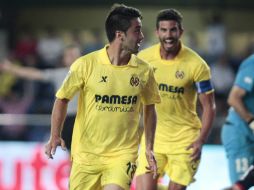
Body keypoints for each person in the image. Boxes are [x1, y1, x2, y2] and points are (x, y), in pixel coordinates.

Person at [44, 4, 161, 190]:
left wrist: (148, 147)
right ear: (120, 35)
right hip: (85, 156)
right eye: (136, 31)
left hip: (123, 155)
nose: (142, 36)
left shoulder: (144, 71)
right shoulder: (85, 65)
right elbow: (62, 99)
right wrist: (55, 135)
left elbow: (150, 106)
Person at [135, 9, 216, 190]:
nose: (168, 35)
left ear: (181, 32)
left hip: (185, 141)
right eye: (164, 30)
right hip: (153, 139)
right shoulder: (144, 59)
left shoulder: (197, 65)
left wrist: (201, 140)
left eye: (173, 30)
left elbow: (209, 107)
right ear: (157, 32)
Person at [0, 45, 81, 149]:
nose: (72, 58)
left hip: (83, 119)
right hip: (65, 120)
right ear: (64, 59)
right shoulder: (58, 74)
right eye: (69, 55)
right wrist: (12, 68)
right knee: (70, 153)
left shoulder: (89, 74)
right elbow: (34, 74)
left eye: (74, 54)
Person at [221, 54, 254, 185]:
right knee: (240, 185)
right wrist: (251, 122)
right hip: (241, 133)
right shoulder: (252, 64)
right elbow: (233, 98)